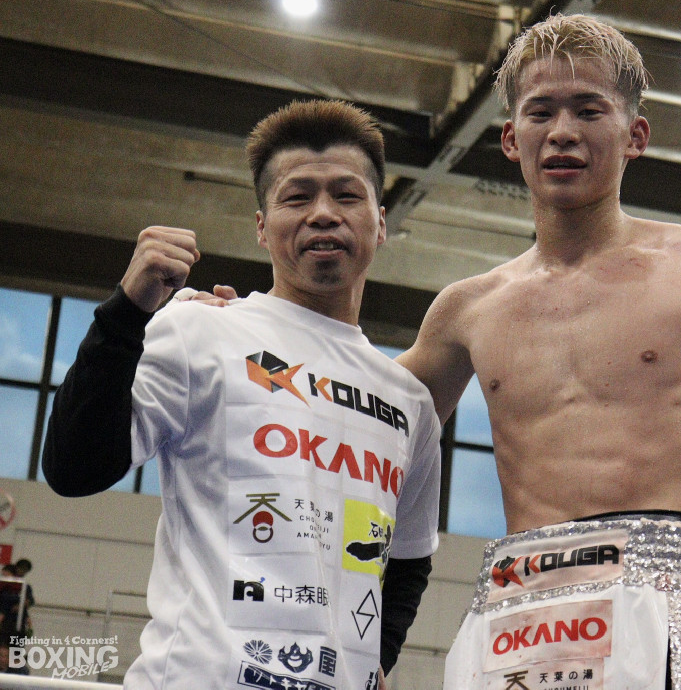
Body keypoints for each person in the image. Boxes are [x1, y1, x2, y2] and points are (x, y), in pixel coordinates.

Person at [191, 14, 681, 690]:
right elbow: (350, 416)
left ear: (635, 135)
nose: (563, 131)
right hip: (513, 618)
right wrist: (247, 333)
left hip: (656, 605)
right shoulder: (467, 308)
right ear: (510, 139)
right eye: (541, 112)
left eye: (589, 110)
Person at [42, 99, 442, 690]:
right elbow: (74, 468)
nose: (323, 214)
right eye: (297, 197)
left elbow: (408, 557)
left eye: (346, 195)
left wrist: (371, 662)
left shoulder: (410, 404)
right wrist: (125, 312)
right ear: (262, 226)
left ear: (380, 223)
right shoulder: (200, 330)